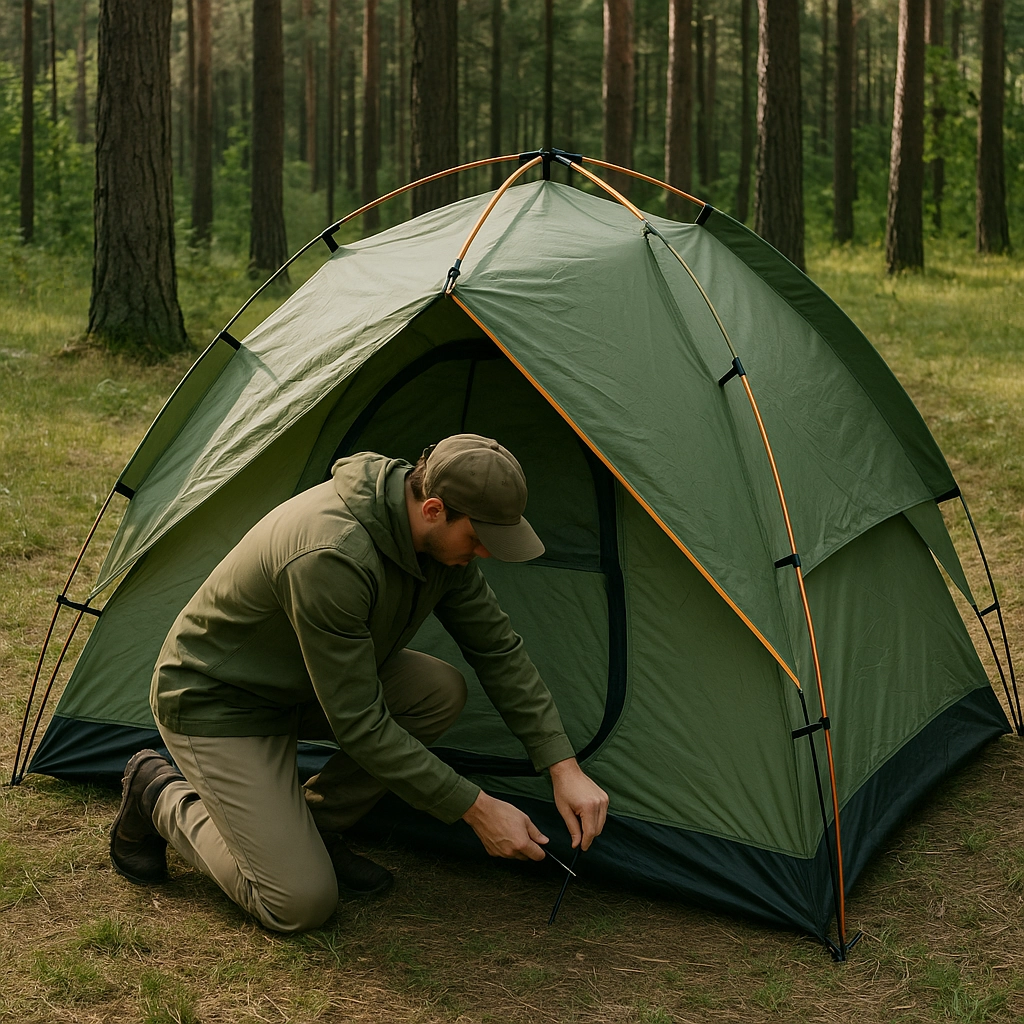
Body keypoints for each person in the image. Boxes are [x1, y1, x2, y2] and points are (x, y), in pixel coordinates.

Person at [109, 434, 609, 933]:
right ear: (434, 508)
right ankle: (159, 794)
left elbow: (496, 648)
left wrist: (562, 766)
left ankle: (314, 827)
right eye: (479, 539)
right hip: (220, 702)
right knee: (298, 903)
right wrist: (477, 810)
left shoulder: (439, 547)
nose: (485, 554)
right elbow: (360, 724)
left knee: (438, 692)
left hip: (305, 683)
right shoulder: (332, 552)